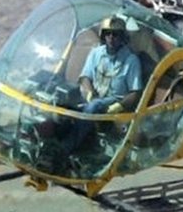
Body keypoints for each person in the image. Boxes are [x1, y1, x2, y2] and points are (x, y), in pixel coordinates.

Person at [59, 16, 144, 153]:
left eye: (115, 34)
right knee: (61, 100)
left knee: (94, 106)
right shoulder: (96, 53)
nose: (111, 37)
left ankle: (66, 148)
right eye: (108, 33)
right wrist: (89, 92)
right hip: (93, 97)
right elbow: (85, 77)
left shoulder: (131, 60)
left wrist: (118, 106)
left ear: (122, 37)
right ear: (103, 35)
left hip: (113, 100)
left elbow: (135, 93)